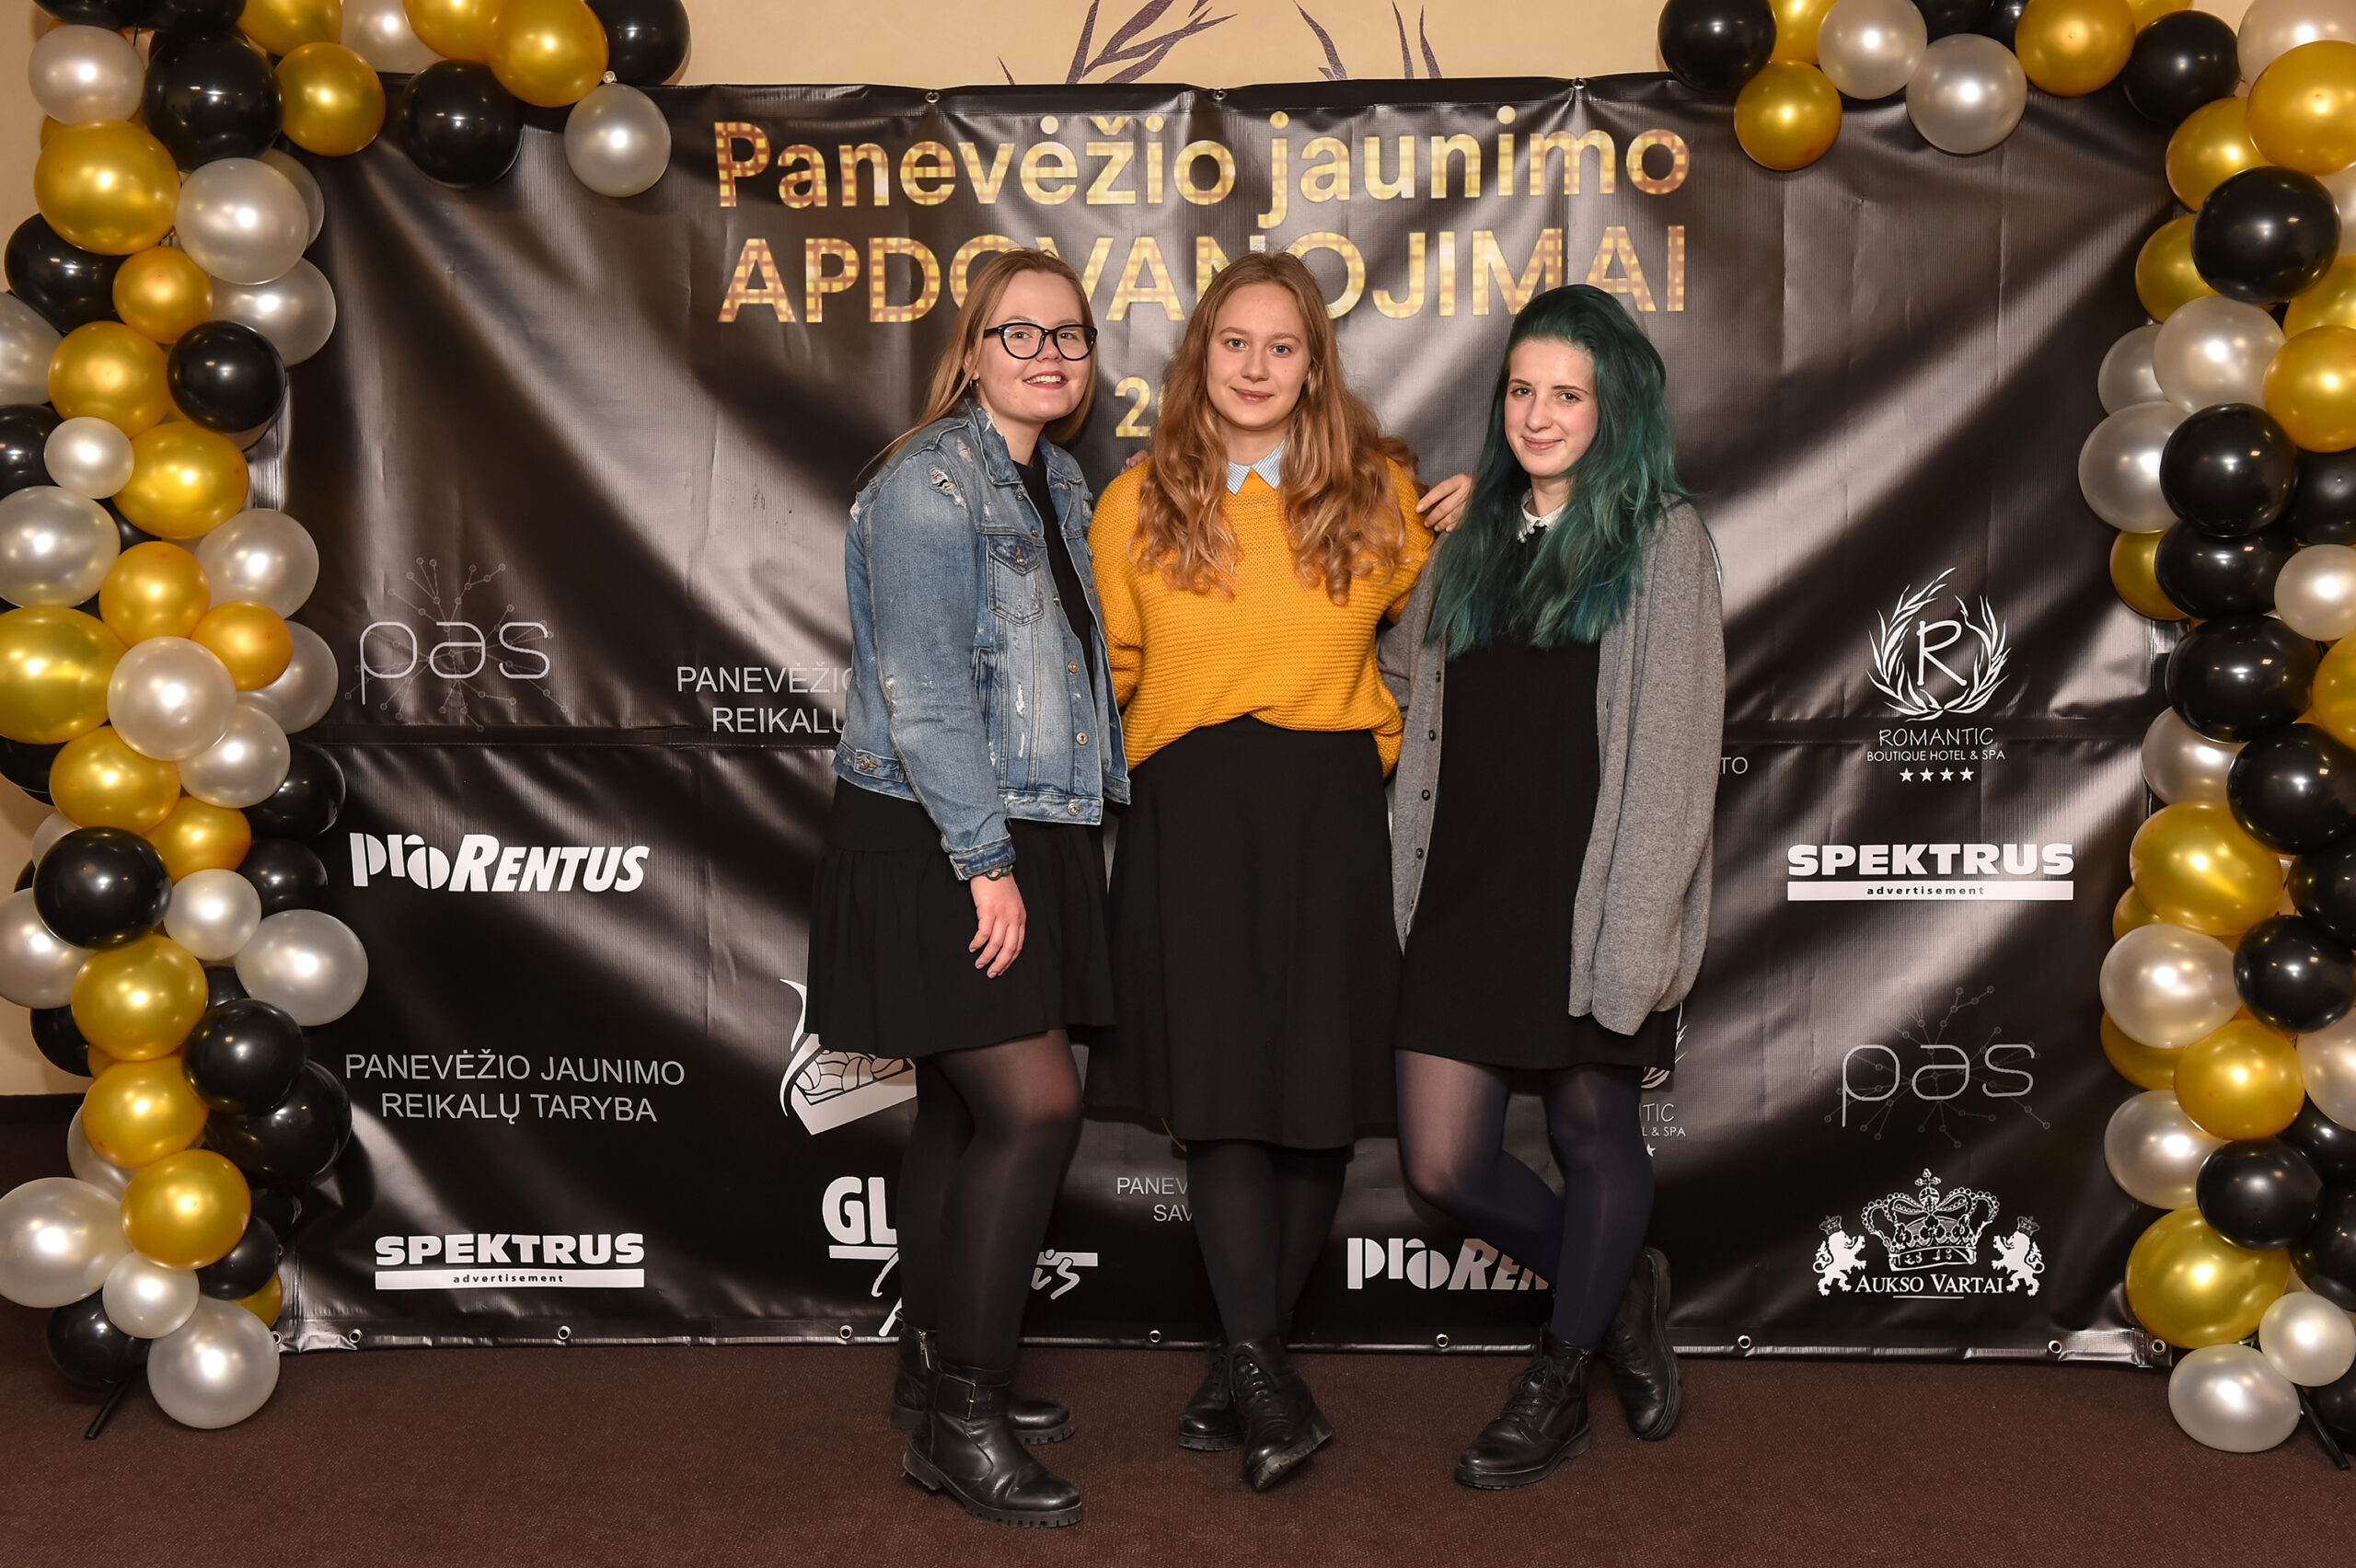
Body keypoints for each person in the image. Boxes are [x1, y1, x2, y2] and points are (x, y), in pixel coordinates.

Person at [1084, 249, 1440, 1493]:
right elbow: (1112, 674)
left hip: (1330, 809)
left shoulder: (1380, 497)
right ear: (1201, 356)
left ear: (1313, 365)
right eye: (1234, 342)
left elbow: (1434, 646)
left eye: (1282, 347)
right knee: (1225, 1094)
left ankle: (1248, 1365)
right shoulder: (1135, 502)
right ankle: (1263, 1372)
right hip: (1192, 814)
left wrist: (1475, 514)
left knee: (1315, 1098)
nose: (1255, 366)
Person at [1380, 283, 1723, 1489]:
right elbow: (1400, 682)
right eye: (1522, 390)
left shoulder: (1663, 539)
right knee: (1443, 1166)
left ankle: (1560, 1373)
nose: (1537, 414)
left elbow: (1674, 757)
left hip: (1592, 897)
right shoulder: (1472, 537)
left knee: (1592, 1129)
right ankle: (1619, 1282)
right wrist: (1413, 542)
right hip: (1465, 887)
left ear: (1614, 407)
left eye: (1567, 394)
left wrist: (1637, 936)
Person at [806, 249, 1120, 1529]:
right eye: (1018, 332)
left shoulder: (1061, 480)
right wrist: (986, 863)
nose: (1048, 354)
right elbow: (928, 692)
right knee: (1035, 1106)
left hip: (1026, 818)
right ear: (973, 348)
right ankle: (963, 1422)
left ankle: (932, 1371)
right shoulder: (927, 482)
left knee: (957, 1111)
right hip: (937, 828)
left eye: (1069, 334)